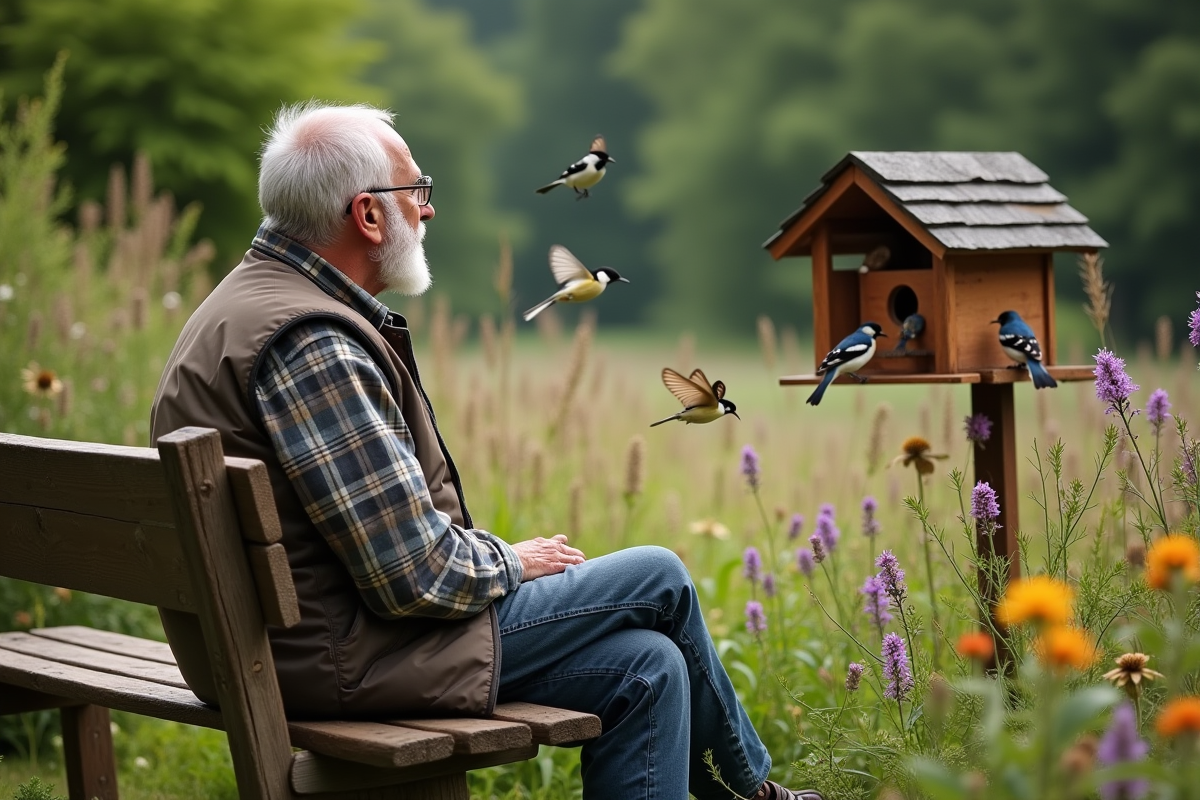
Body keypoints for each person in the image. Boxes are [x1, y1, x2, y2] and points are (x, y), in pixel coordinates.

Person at [150, 102, 822, 800]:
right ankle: (754, 793)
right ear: (368, 215)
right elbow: (413, 577)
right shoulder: (311, 344)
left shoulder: (249, 301)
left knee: (647, 664)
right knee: (658, 576)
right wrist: (515, 560)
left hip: (285, 647)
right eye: (418, 191)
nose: (429, 210)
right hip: (336, 659)